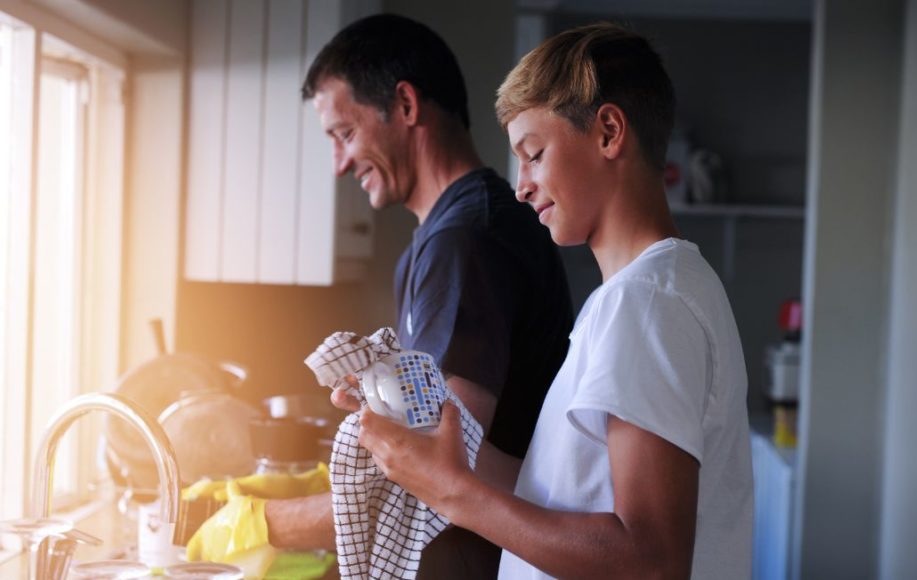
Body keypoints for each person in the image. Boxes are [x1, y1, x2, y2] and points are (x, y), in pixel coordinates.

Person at [350, 22, 754, 579]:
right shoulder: (636, 295)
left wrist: (454, 493)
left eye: (534, 153)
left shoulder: (644, 303)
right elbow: (557, 496)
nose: (521, 186)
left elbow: (652, 559)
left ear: (609, 132)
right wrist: (426, 437)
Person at [263, 14, 573, 579]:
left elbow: (430, 474)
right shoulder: (439, 240)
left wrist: (263, 523)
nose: (338, 164)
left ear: (405, 105)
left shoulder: (465, 241)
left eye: (344, 134)